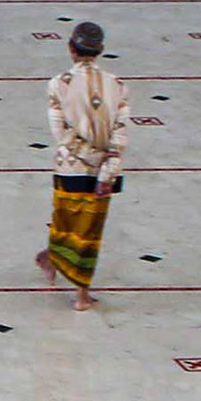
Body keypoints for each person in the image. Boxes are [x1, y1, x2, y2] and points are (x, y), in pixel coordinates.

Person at [37, 20, 130, 309]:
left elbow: (61, 133)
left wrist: (87, 155)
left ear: (71, 48)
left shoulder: (59, 84)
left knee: (66, 221)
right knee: (90, 230)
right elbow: (120, 133)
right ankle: (79, 293)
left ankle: (55, 263)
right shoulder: (117, 85)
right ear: (100, 50)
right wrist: (107, 166)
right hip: (104, 168)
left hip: (70, 165)